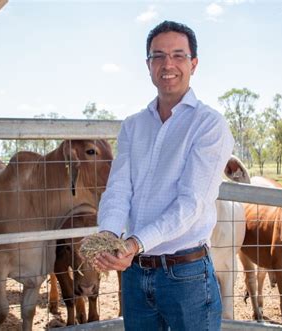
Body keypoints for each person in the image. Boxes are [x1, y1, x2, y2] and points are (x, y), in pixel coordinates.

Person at [93, 20, 234, 330]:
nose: (167, 64)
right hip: (134, 273)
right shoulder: (133, 125)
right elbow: (118, 189)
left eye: (178, 55)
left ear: (193, 64)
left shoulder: (209, 125)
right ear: (148, 65)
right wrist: (109, 235)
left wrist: (132, 244)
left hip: (185, 274)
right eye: (158, 55)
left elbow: (191, 203)